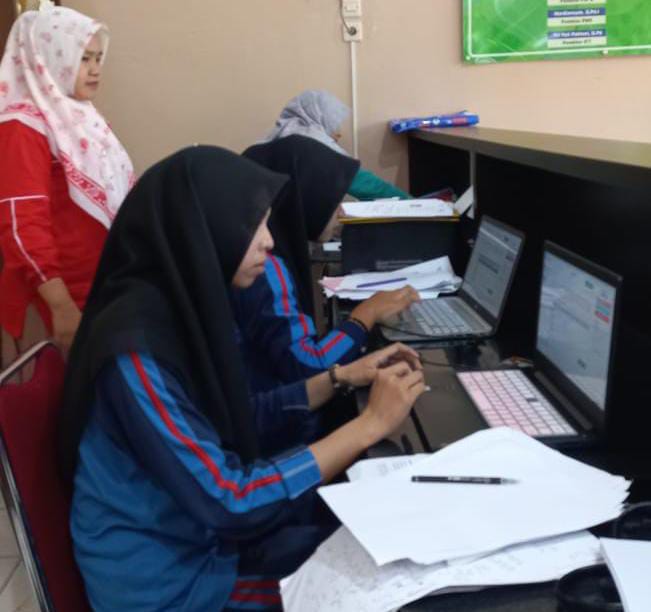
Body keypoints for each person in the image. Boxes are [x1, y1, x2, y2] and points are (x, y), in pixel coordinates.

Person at [59, 146, 426, 611]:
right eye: (255, 225)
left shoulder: (181, 309)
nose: (269, 242)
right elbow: (230, 500)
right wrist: (369, 425)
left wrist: (339, 377)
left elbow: (235, 417)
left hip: (201, 539)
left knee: (368, 534)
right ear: (201, 229)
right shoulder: (136, 355)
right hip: (171, 585)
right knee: (384, 583)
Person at [0, 4, 134, 362]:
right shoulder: (22, 125)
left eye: (98, 58)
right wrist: (60, 306)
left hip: (96, 290)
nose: (95, 69)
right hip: (54, 302)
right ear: (50, 57)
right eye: (83, 58)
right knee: (54, 393)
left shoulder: (81, 116)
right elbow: (21, 224)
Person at [235, 135, 420, 393]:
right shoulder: (268, 267)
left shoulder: (263, 253)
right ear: (307, 196)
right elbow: (308, 366)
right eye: (335, 201)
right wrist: (366, 314)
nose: (341, 212)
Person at [261, 89, 411, 201]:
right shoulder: (314, 142)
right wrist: (413, 204)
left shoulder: (276, 134)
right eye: (333, 123)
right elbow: (366, 186)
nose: (338, 133)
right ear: (319, 118)